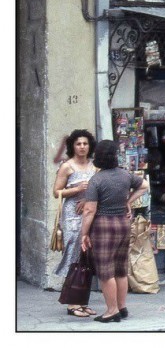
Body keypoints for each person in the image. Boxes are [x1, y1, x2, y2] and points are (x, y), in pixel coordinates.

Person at [80, 140, 150, 322]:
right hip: (123, 224)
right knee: (120, 268)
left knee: (105, 271)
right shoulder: (125, 175)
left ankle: (112, 311)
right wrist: (128, 201)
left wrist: (84, 234)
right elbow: (144, 186)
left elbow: (89, 211)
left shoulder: (97, 180)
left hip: (104, 226)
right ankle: (122, 306)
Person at [53, 129, 97, 318]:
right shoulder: (67, 166)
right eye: (78, 144)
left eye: (85, 144)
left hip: (89, 213)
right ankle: (72, 303)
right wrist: (77, 189)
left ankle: (82, 301)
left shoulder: (95, 166)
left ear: (90, 146)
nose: (82, 147)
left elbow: (100, 189)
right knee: (73, 254)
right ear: (73, 146)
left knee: (86, 257)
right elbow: (57, 192)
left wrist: (87, 198)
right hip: (72, 214)